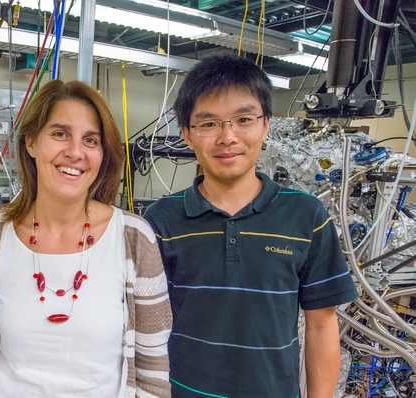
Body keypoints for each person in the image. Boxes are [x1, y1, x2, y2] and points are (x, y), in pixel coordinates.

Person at [0, 79, 172, 398]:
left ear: (102, 154)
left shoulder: (133, 237)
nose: (75, 152)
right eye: (60, 133)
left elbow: (152, 371)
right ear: (31, 142)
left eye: (90, 140)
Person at [143, 56, 358, 398]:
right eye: (209, 124)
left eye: (243, 119)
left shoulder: (305, 215)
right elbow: (146, 325)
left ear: (265, 125)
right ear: (187, 134)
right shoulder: (159, 220)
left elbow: (321, 325)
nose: (228, 137)